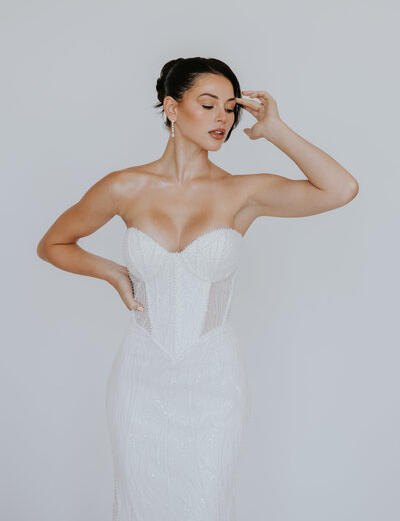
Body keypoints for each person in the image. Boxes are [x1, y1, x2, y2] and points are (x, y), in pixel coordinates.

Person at [37, 56, 359, 520]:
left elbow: (341, 189)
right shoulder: (124, 186)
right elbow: (53, 244)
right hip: (140, 376)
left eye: (230, 109)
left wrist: (276, 130)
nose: (222, 120)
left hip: (214, 379)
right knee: (137, 503)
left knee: (207, 503)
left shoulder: (243, 192)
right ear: (171, 107)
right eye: (208, 105)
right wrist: (113, 273)